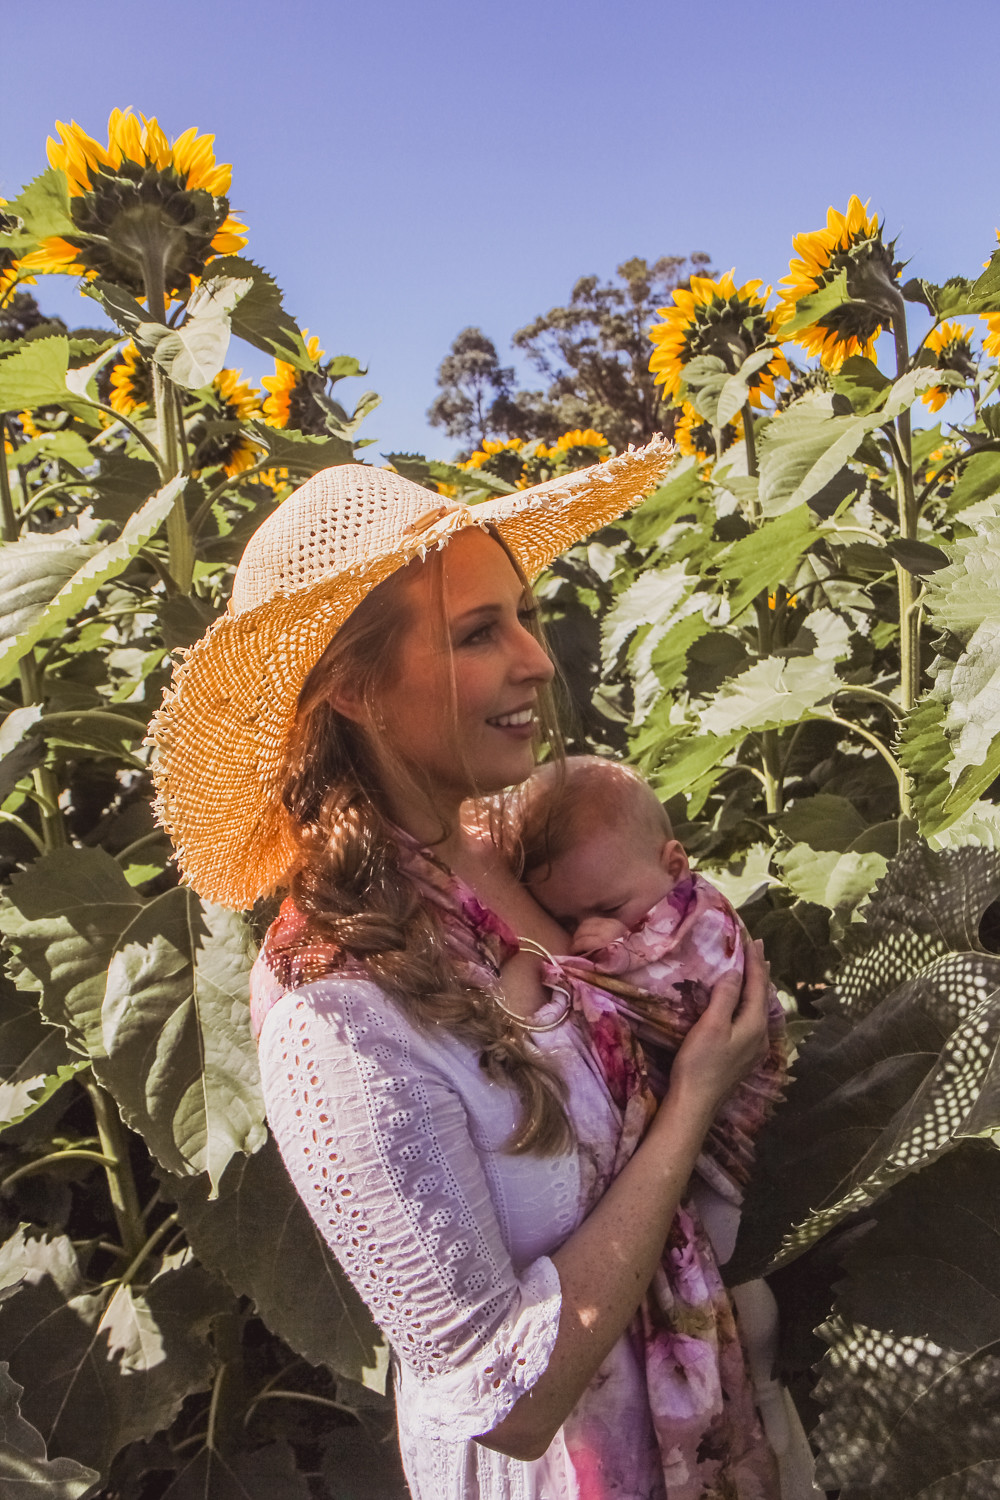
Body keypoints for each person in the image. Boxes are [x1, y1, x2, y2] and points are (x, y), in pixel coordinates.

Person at [149, 454, 782, 1500]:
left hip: (714, 1418)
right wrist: (694, 1106)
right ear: (354, 688)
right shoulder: (334, 1010)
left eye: (524, 617)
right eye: (479, 633)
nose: (537, 660)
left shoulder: (526, 848)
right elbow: (504, 1395)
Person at [513, 757, 820, 1497]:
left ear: (672, 862)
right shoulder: (632, 901)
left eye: (610, 909)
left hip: (724, 1147)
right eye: (563, 919)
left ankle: (767, 1396)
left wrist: (578, 966)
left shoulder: (702, 917)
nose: (590, 930)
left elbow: (679, 995)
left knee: (734, 1281)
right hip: (685, 1143)